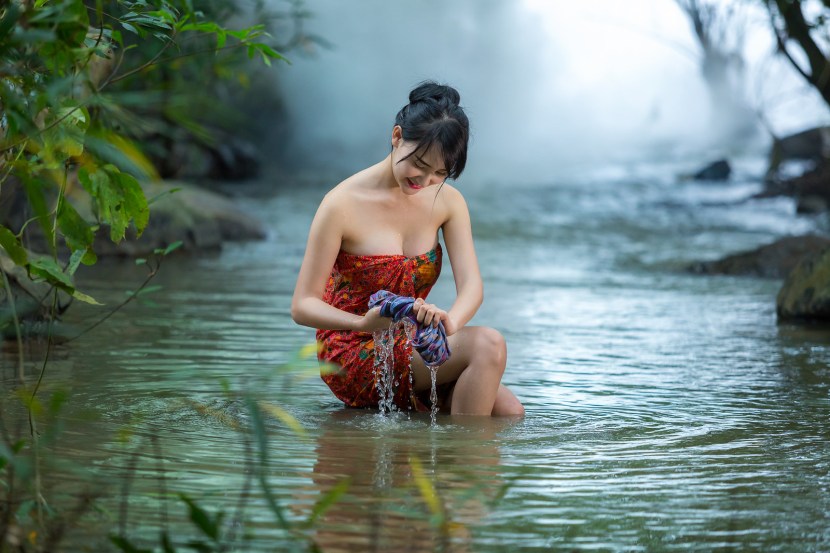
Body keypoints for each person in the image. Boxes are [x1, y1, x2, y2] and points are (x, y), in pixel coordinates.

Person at [291, 82, 524, 417]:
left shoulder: (448, 202)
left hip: (415, 341)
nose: (425, 180)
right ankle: (463, 458)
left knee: (509, 413)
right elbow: (302, 305)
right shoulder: (340, 205)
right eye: (420, 164)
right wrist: (362, 324)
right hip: (353, 346)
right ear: (397, 136)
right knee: (488, 345)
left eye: (439, 173)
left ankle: (452, 462)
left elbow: (472, 287)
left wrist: (449, 323)